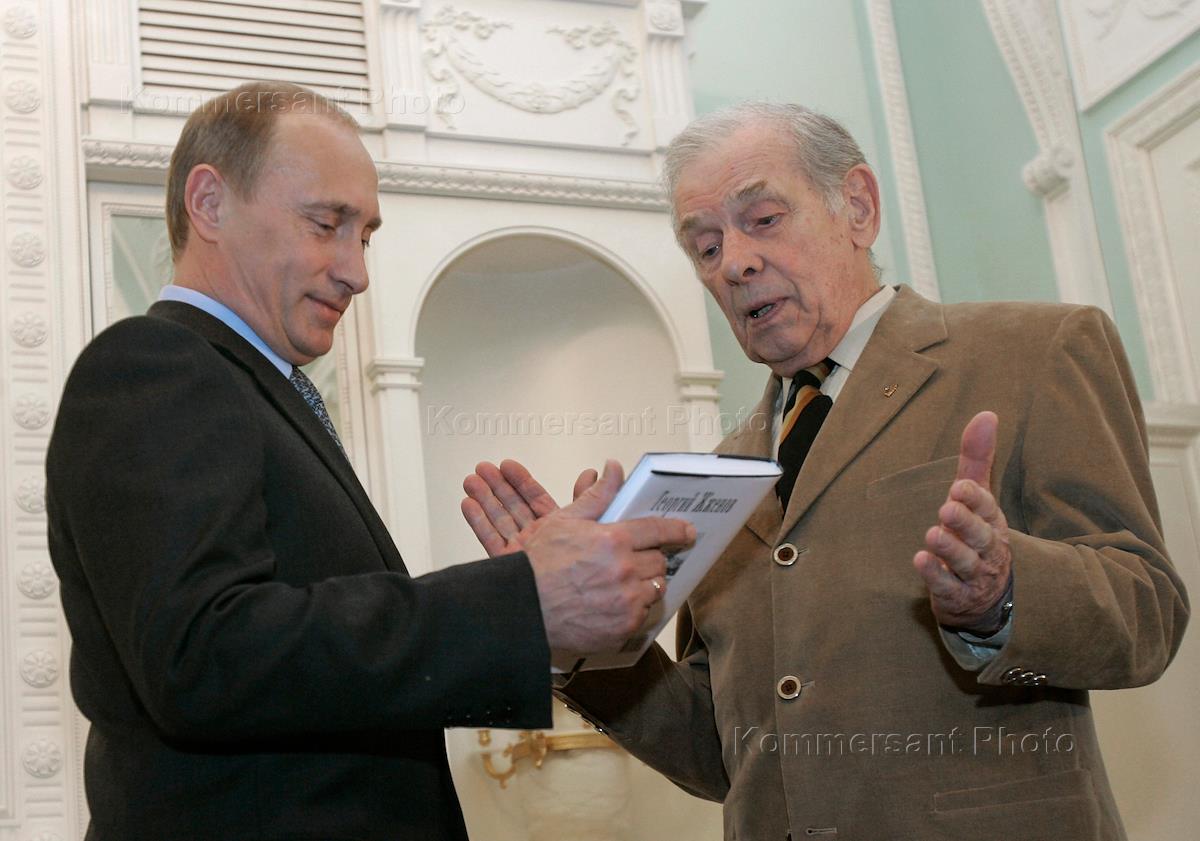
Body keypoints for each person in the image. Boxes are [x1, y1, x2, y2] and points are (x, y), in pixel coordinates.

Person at [462, 102, 1190, 840]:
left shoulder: (1035, 350)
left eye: (763, 219)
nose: (734, 263)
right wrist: (571, 629)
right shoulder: (716, 477)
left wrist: (1002, 595)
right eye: (706, 246)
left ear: (858, 208)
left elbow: (1147, 616)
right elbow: (719, 758)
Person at [45, 81, 692, 841]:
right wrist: (521, 599)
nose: (356, 270)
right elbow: (205, 657)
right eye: (327, 224)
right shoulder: (156, 363)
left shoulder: (261, 392)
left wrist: (541, 608)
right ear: (210, 203)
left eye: (366, 236)